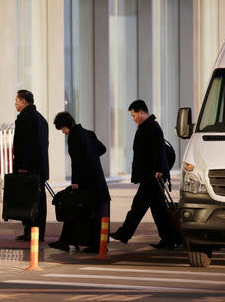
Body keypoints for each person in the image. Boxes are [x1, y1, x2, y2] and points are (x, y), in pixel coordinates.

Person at [109, 100, 176, 249]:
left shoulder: (152, 127)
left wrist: (159, 171)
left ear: (141, 112)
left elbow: (158, 151)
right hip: (150, 175)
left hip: (153, 176)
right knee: (157, 209)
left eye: (133, 115)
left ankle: (125, 233)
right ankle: (169, 239)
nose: (133, 119)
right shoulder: (146, 127)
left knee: (141, 207)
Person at [50, 112, 110, 253]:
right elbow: (102, 149)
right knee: (91, 211)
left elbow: (75, 161)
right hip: (98, 180)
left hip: (85, 181)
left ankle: (73, 242)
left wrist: (75, 181)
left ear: (65, 126)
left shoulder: (73, 137)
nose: (63, 132)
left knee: (73, 207)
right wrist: (90, 156)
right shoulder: (89, 133)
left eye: (62, 129)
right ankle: (68, 241)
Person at [13, 90, 49, 242]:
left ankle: (31, 231)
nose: (15, 103)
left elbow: (25, 145)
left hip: (28, 168)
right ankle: (35, 232)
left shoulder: (26, 118)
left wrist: (23, 166)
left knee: (28, 200)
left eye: (17, 100)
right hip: (40, 167)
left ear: (24, 102)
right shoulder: (40, 118)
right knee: (39, 200)